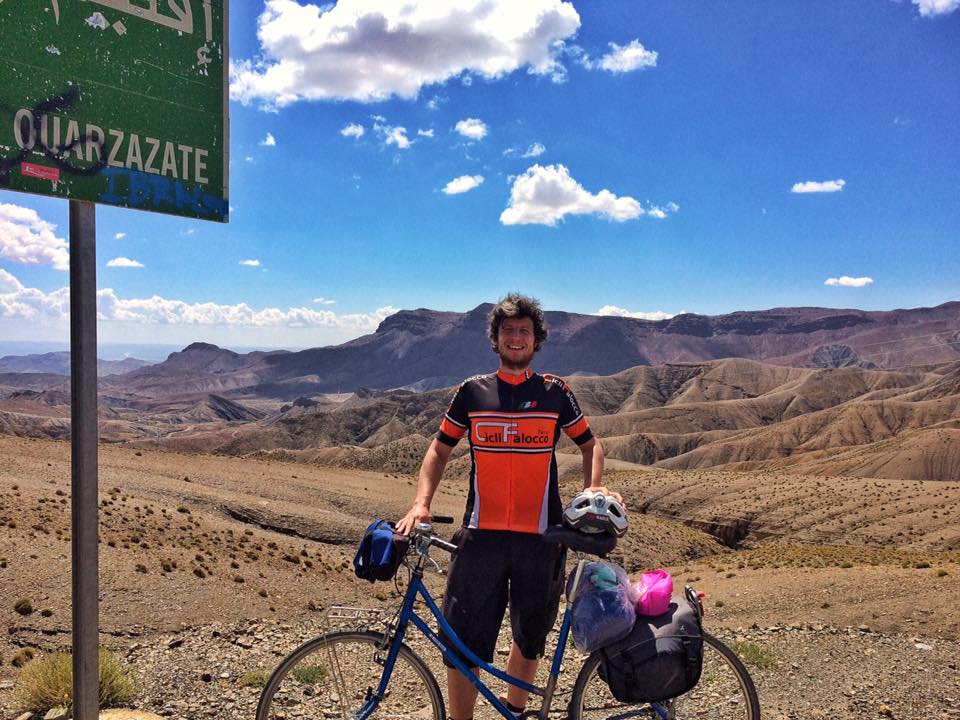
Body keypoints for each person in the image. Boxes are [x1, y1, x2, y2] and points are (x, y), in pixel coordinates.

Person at [397, 293, 622, 720]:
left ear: (536, 340)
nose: (515, 338)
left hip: (541, 538)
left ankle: (515, 713)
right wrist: (420, 504)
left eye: (524, 331)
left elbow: (590, 445)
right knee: (461, 640)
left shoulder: (555, 392)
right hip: (480, 537)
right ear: (496, 339)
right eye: (508, 331)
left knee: (529, 637)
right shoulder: (471, 392)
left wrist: (594, 489)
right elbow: (439, 450)